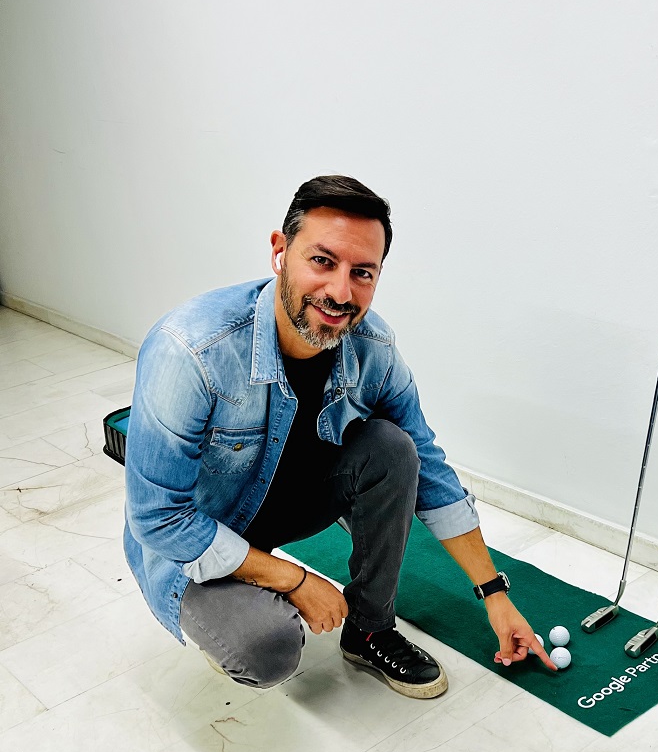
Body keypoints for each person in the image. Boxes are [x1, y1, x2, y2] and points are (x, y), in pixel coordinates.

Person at [123, 174, 557, 699]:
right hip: (200, 532)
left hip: (289, 503)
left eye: (362, 273)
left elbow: (427, 464)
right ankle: (234, 608)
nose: (340, 293)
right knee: (265, 647)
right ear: (280, 251)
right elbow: (158, 518)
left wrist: (493, 593)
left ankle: (370, 630)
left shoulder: (374, 348)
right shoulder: (190, 351)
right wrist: (293, 579)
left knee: (393, 449)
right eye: (322, 261)